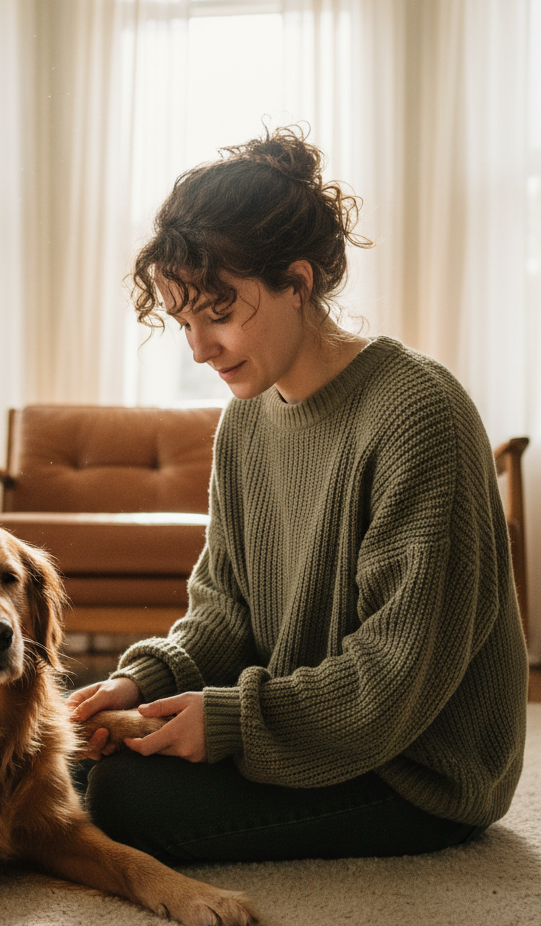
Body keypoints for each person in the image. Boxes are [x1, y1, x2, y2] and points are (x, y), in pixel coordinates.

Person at [67, 125, 528, 864]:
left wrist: (229, 724)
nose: (199, 349)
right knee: (72, 738)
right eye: (185, 322)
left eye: (218, 314)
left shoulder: (419, 413)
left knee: (123, 796)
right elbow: (224, 613)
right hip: (308, 722)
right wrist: (142, 681)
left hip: (413, 768)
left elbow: (395, 675)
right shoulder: (244, 423)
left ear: (298, 282)